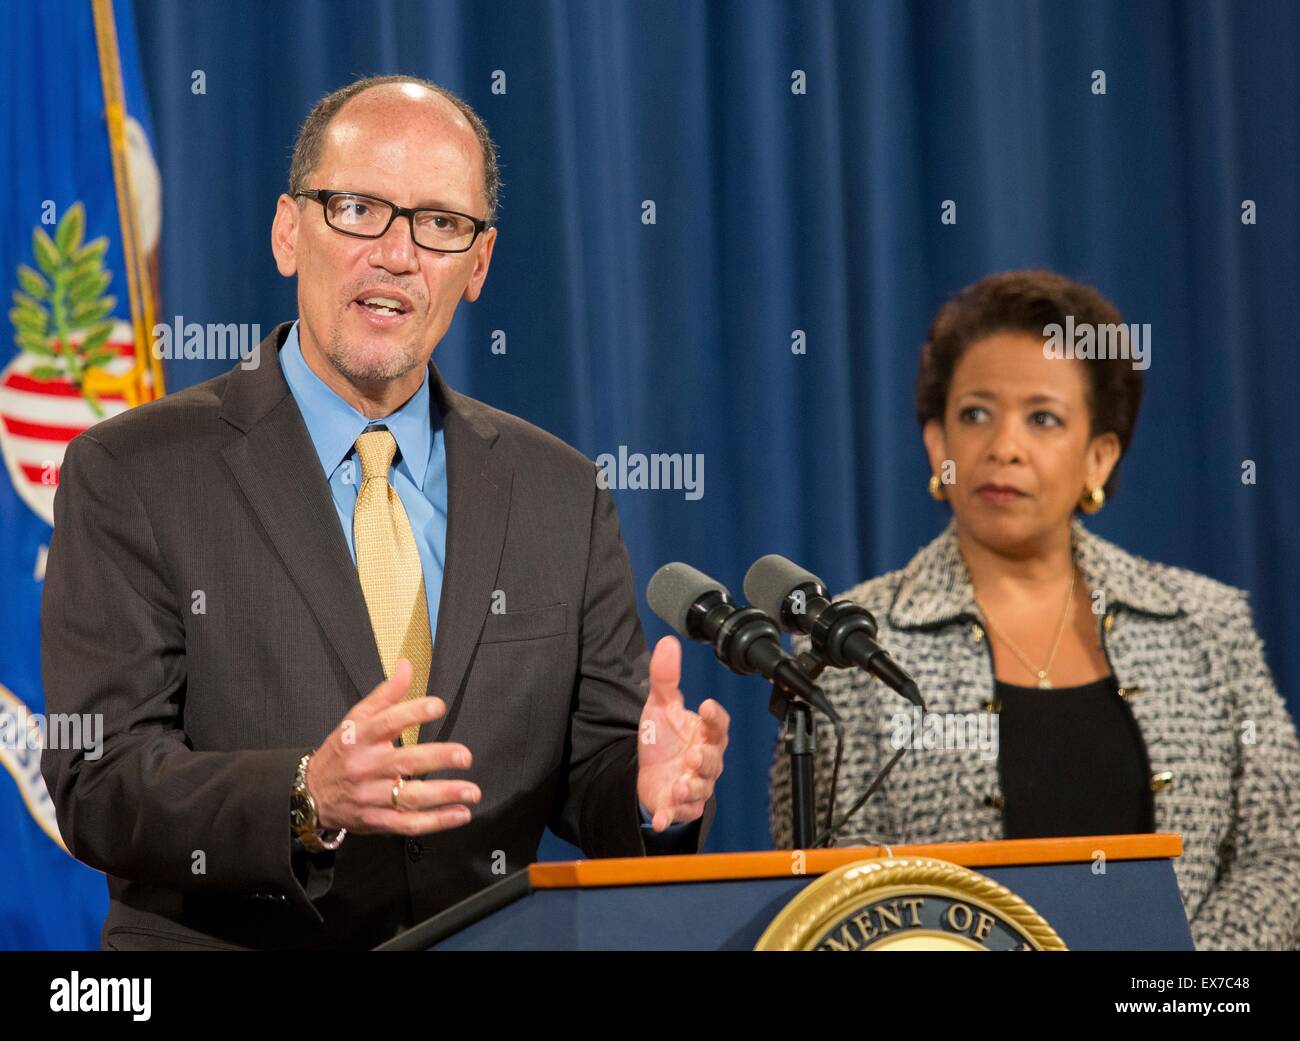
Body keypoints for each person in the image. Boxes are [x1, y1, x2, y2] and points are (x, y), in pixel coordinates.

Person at [41, 75, 729, 951]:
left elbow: (589, 780)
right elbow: (98, 781)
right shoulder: (132, 472)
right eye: (359, 207)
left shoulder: (561, 492)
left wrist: (643, 788)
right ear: (289, 232)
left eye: (441, 223)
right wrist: (305, 796)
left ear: (477, 264)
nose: (398, 254)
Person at [770, 269, 1300, 951]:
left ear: (1099, 457)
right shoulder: (845, 642)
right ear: (938, 445)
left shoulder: (1206, 621)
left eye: (1043, 418)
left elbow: (1280, 852)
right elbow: (828, 899)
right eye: (975, 413)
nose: (1004, 446)